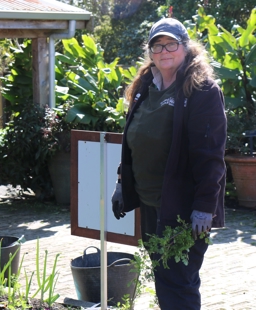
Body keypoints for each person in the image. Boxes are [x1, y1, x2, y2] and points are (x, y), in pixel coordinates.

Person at [111, 18, 226, 310]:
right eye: (157, 45)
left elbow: (210, 155)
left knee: (176, 283)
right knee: (171, 279)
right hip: (151, 205)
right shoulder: (144, 88)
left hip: (183, 207)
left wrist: (204, 207)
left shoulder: (201, 90)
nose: (164, 51)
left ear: (185, 48)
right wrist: (121, 184)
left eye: (171, 43)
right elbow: (133, 142)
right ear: (150, 51)